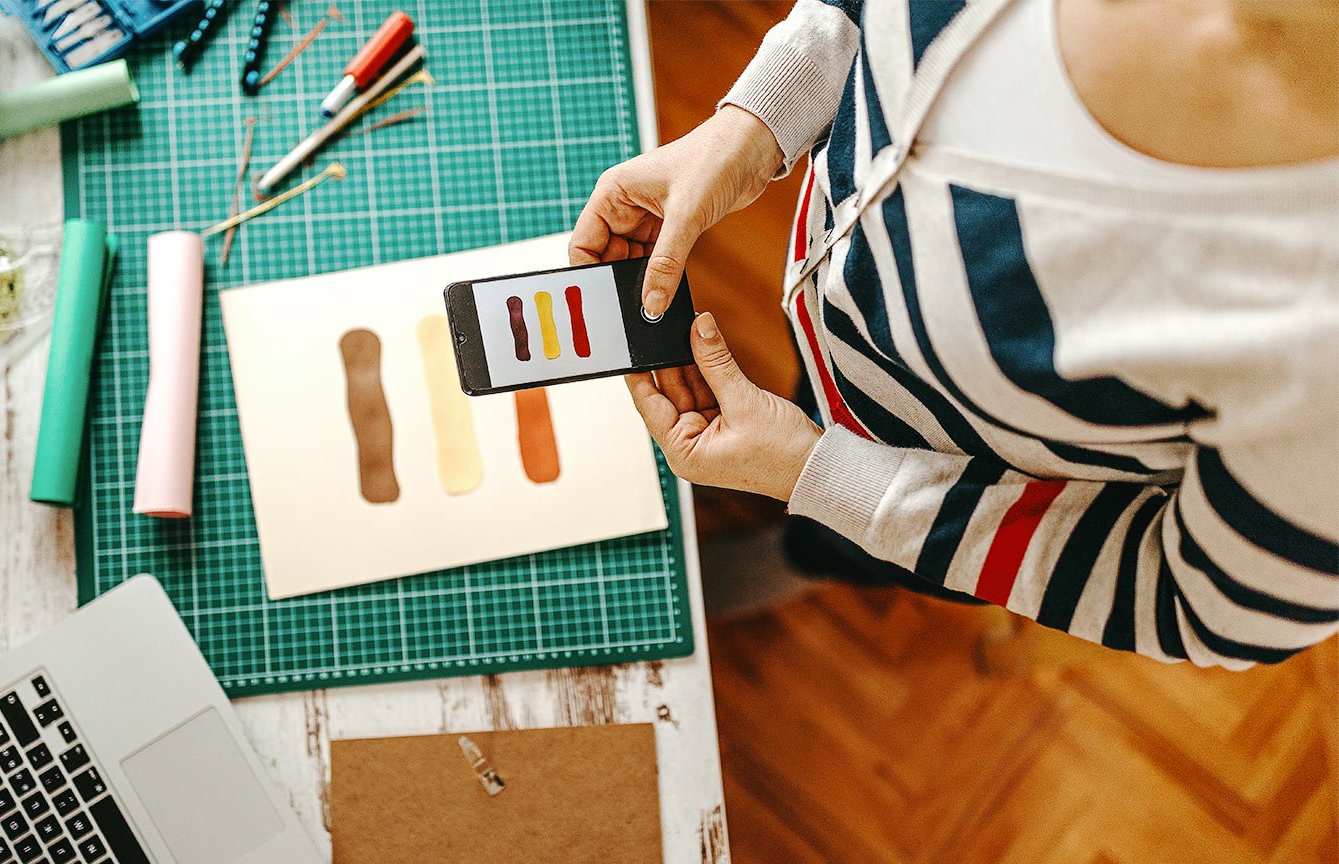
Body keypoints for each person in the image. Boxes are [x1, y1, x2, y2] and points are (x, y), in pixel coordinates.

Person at [570, 0, 1339, 668]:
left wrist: (822, 477)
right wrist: (757, 122)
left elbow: (1203, 604)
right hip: (847, 359)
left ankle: (805, 555)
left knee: (839, 543)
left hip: (939, 488)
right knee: (818, 404)